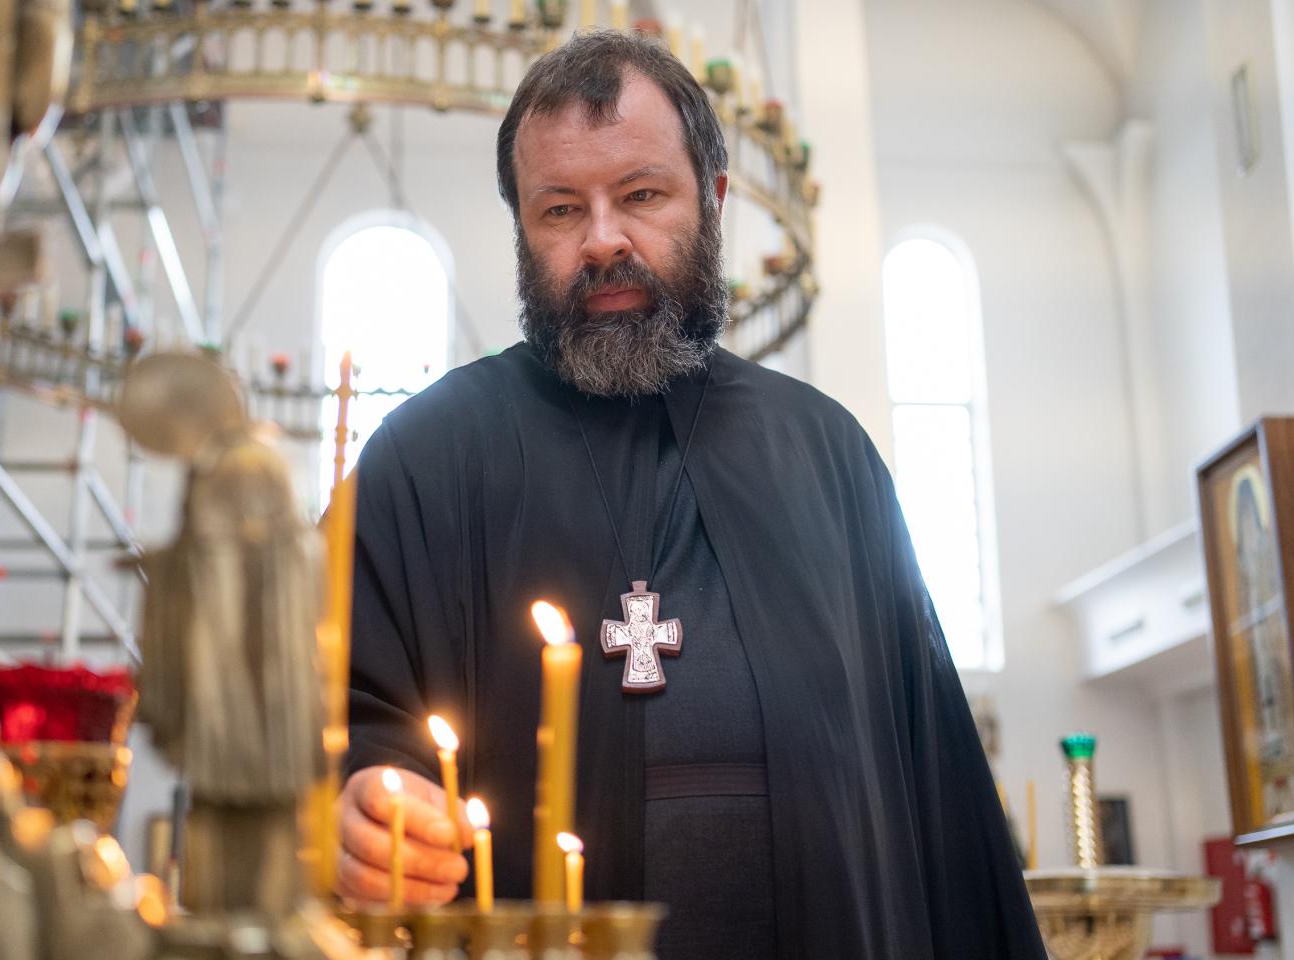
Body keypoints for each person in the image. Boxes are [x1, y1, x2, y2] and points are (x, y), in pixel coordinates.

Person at [335, 31, 1044, 959]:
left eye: (641, 196)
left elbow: (929, 785)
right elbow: (342, 723)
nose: (602, 240)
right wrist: (357, 804)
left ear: (710, 203)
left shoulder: (827, 456)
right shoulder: (426, 456)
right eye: (559, 211)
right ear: (521, 230)